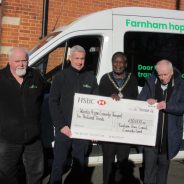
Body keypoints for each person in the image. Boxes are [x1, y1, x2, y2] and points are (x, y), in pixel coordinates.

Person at [49, 45, 98, 184]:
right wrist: (61, 125)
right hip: (64, 129)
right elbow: (53, 102)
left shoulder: (91, 78)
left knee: (79, 166)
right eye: (76, 58)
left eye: (82, 59)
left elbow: (97, 106)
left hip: (82, 131)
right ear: (70, 58)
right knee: (58, 164)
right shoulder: (60, 77)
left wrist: (93, 129)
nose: (79, 62)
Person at [0, 47, 44, 184]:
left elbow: (41, 99)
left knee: (36, 174)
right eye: (17, 61)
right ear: (9, 61)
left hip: (33, 139)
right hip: (7, 139)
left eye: (24, 60)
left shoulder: (36, 76)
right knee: (6, 175)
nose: (21, 64)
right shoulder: (1, 78)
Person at [138, 59, 184, 184]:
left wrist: (167, 106)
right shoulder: (150, 82)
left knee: (163, 174)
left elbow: (182, 107)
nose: (162, 77)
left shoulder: (181, 84)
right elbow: (140, 100)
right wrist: (146, 101)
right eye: (160, 74)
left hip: (168, 139)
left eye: (165, 74)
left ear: (172, 72)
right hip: (150, 139)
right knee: (148, 174)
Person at [99, 52, 138, 184]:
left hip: (124, 131)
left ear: (126, 64)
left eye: (121, 62)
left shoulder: (132, 79)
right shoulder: (105, 79)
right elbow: (98, 102)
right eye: (116, 61)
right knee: (108, 163)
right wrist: (109, 98)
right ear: (112, 63)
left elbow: (135, 101)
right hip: (108, 130)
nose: (118, 64)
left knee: (123, 163)